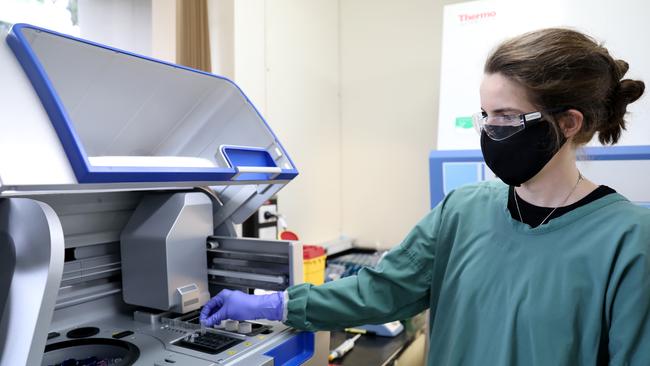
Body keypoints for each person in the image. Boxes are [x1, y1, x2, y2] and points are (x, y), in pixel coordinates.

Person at [200, 28, 649, 365]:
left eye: (508, 118)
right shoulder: (463, 211)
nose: (491, 132)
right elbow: (381, 291)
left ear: (568, 123)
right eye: (486, 116)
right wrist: (274, 304)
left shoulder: (629, 240)